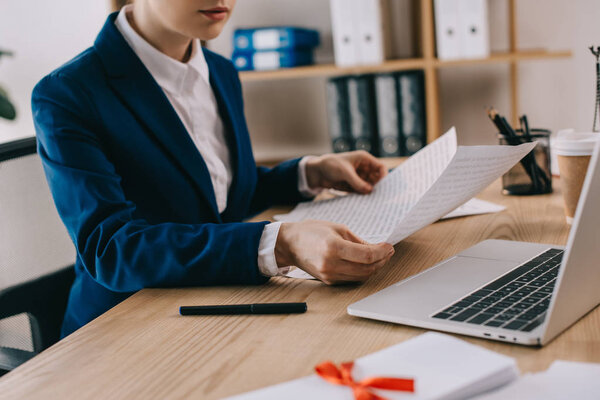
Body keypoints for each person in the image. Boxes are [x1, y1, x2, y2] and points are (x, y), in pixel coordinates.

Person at [32, 0, 394, 337]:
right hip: (124, 328)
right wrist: (281, 244)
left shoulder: (220, 70)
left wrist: (309, 173)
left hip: (217, 306)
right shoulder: (68, 93)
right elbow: (110, 249)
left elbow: (216, 196)